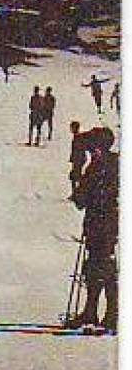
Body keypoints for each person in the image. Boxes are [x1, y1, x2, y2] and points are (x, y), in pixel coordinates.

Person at [69, 135, 117, 331]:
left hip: (99, 224)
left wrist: (78, 186)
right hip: (109, 224)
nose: (90, 152)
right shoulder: (117, 165)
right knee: (101, 266)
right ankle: (100, 312)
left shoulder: (97, 167)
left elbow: (81, 199)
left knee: (99, 267)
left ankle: (105, 313)